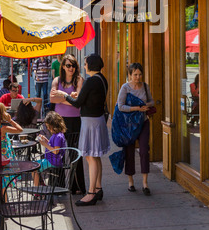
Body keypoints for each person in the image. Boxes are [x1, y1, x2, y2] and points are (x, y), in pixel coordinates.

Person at [59, 54, 110, 206]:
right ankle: (98, 188)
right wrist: (76, 96)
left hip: (90, 122)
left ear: (91, 65)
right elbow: (89, 99)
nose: (84, 65)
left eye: (86, 63)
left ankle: (91, 192)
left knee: (90, 157)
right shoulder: (102, 79)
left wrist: (65, 95)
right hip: (98, 120)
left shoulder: (90, 81)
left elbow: (78, 103)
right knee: (96, 155)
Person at [50, 54, 86, 194]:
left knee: (75, 153)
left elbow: (78, 103)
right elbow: (52, 98)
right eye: (68, 65)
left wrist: (61, 96)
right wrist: (69, 99)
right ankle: (58, 186)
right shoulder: (57, 80)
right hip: (59, 121)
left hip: (74, 120)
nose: (71, 68)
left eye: (73, 65)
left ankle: (76, 186)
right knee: (58, 152)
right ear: (63, 66)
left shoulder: (79, 80)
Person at [117, 63, 154, 196]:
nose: (138, 77)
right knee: (129, 152)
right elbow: (120, 106)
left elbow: (152, 101)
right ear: (130, 75)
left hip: (143, 122)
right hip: (129, 124)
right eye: (135, 75)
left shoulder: (145, 86)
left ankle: (145, 183)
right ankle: (130, 181)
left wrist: (146, 106)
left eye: (140, 74)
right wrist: (137, 108)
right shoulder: (125, 88)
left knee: (144, 150)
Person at [33, 111, 67, 187]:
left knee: (34, 168)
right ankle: (41, 184)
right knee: (34, 164)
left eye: (48, 126)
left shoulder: (58, 136)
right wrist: (46, 141)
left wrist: (44, 144)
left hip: (53, 161)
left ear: (53, 125)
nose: (47, 128)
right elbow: (54, 146)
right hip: (51, 160)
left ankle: (37, 189)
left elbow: (56, 151)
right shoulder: (57, 135)